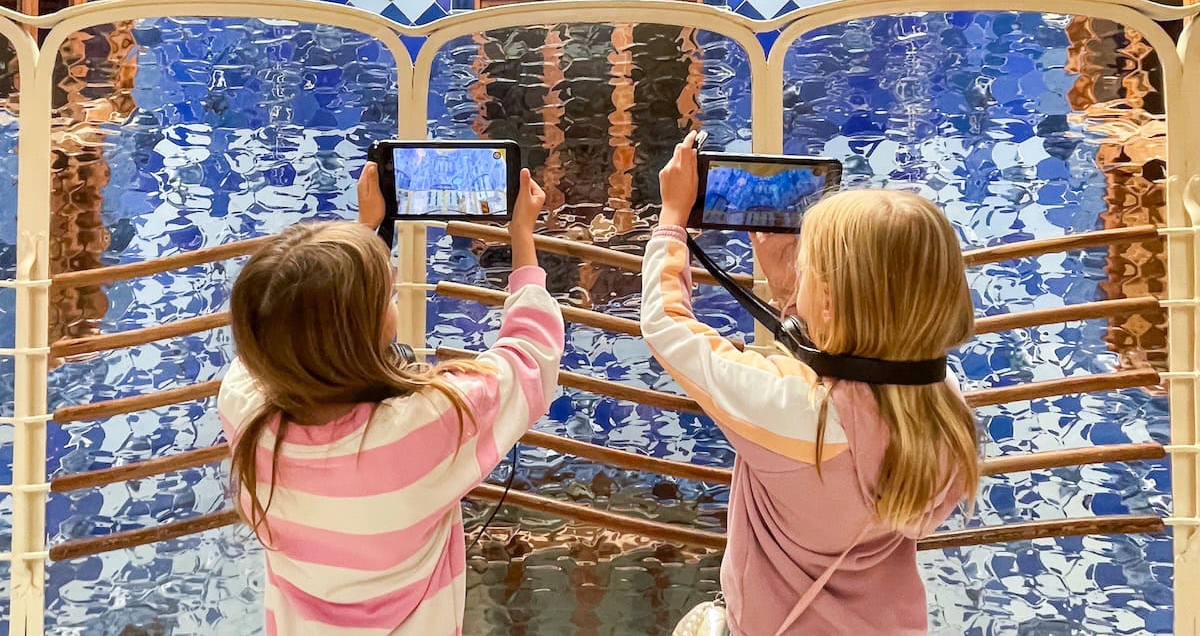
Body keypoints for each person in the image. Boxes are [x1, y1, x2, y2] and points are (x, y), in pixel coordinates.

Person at [641, 132, 979, 635]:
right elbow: (861, 362)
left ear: (829, 300)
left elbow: (667, 327)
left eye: (809, 271)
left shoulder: (794, 411)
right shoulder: (944, 404)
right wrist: (791, 295)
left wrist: (671, 221)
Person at [218, 163, 565, 635]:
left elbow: (285, 337)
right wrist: (522, 239)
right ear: (367, 327)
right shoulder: (424, 427)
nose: (393, 295)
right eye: (386, 295)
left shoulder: (244, 410)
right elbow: (530, 358)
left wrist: (363, 236)